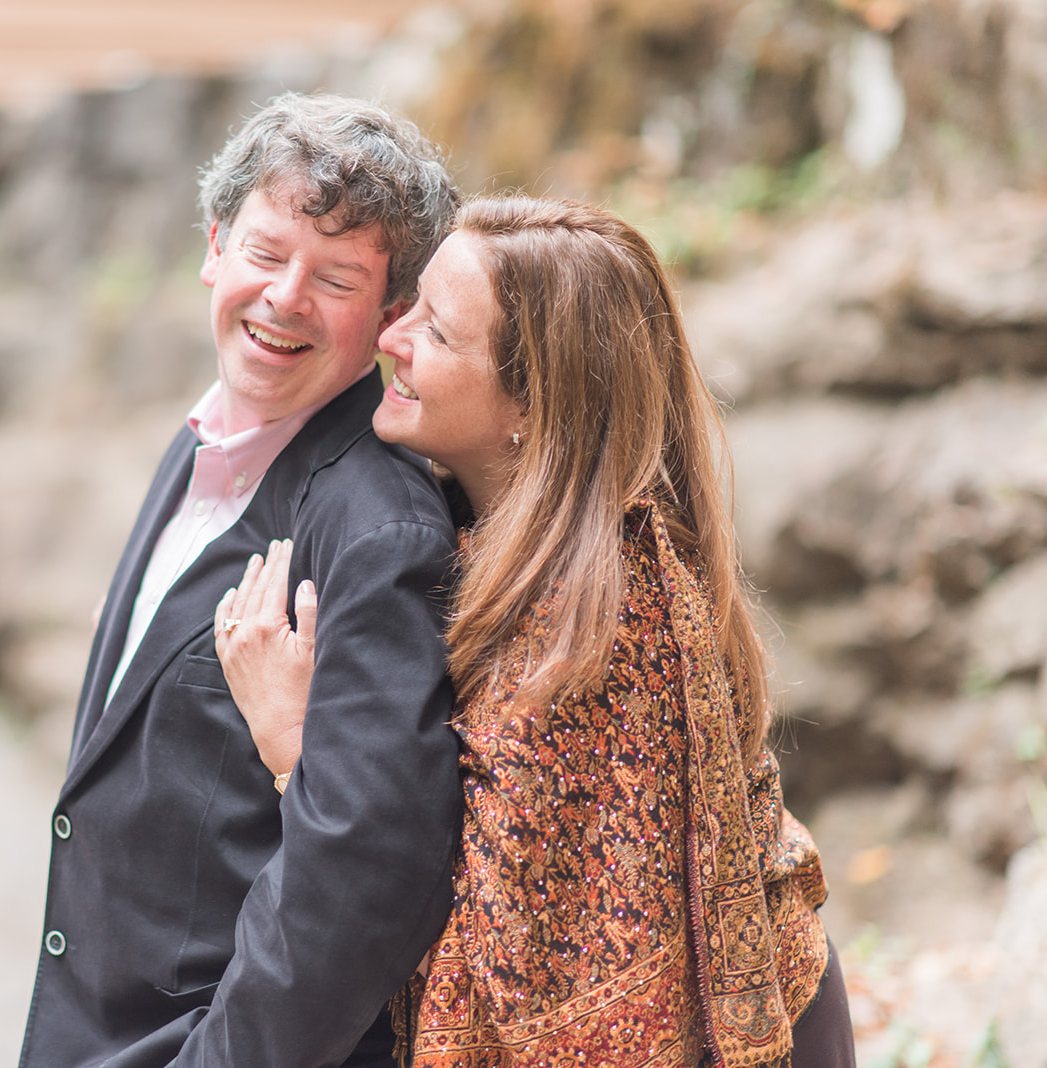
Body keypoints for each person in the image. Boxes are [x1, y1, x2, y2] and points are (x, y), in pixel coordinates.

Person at [215, 196, 856, 1067]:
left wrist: (295, 745)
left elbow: (503, 973)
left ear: (534, 401)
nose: (391, 339)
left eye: (437, 333)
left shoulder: (588, 630)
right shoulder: (501, 542)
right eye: (410, 308)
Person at [19, 93, 467, 1067]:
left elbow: (368, 875)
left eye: (336, 279)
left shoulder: (378, 531)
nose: (285, 298)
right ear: (215, 247)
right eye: (265, 253)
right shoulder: (204, 438)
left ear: (392, 317)